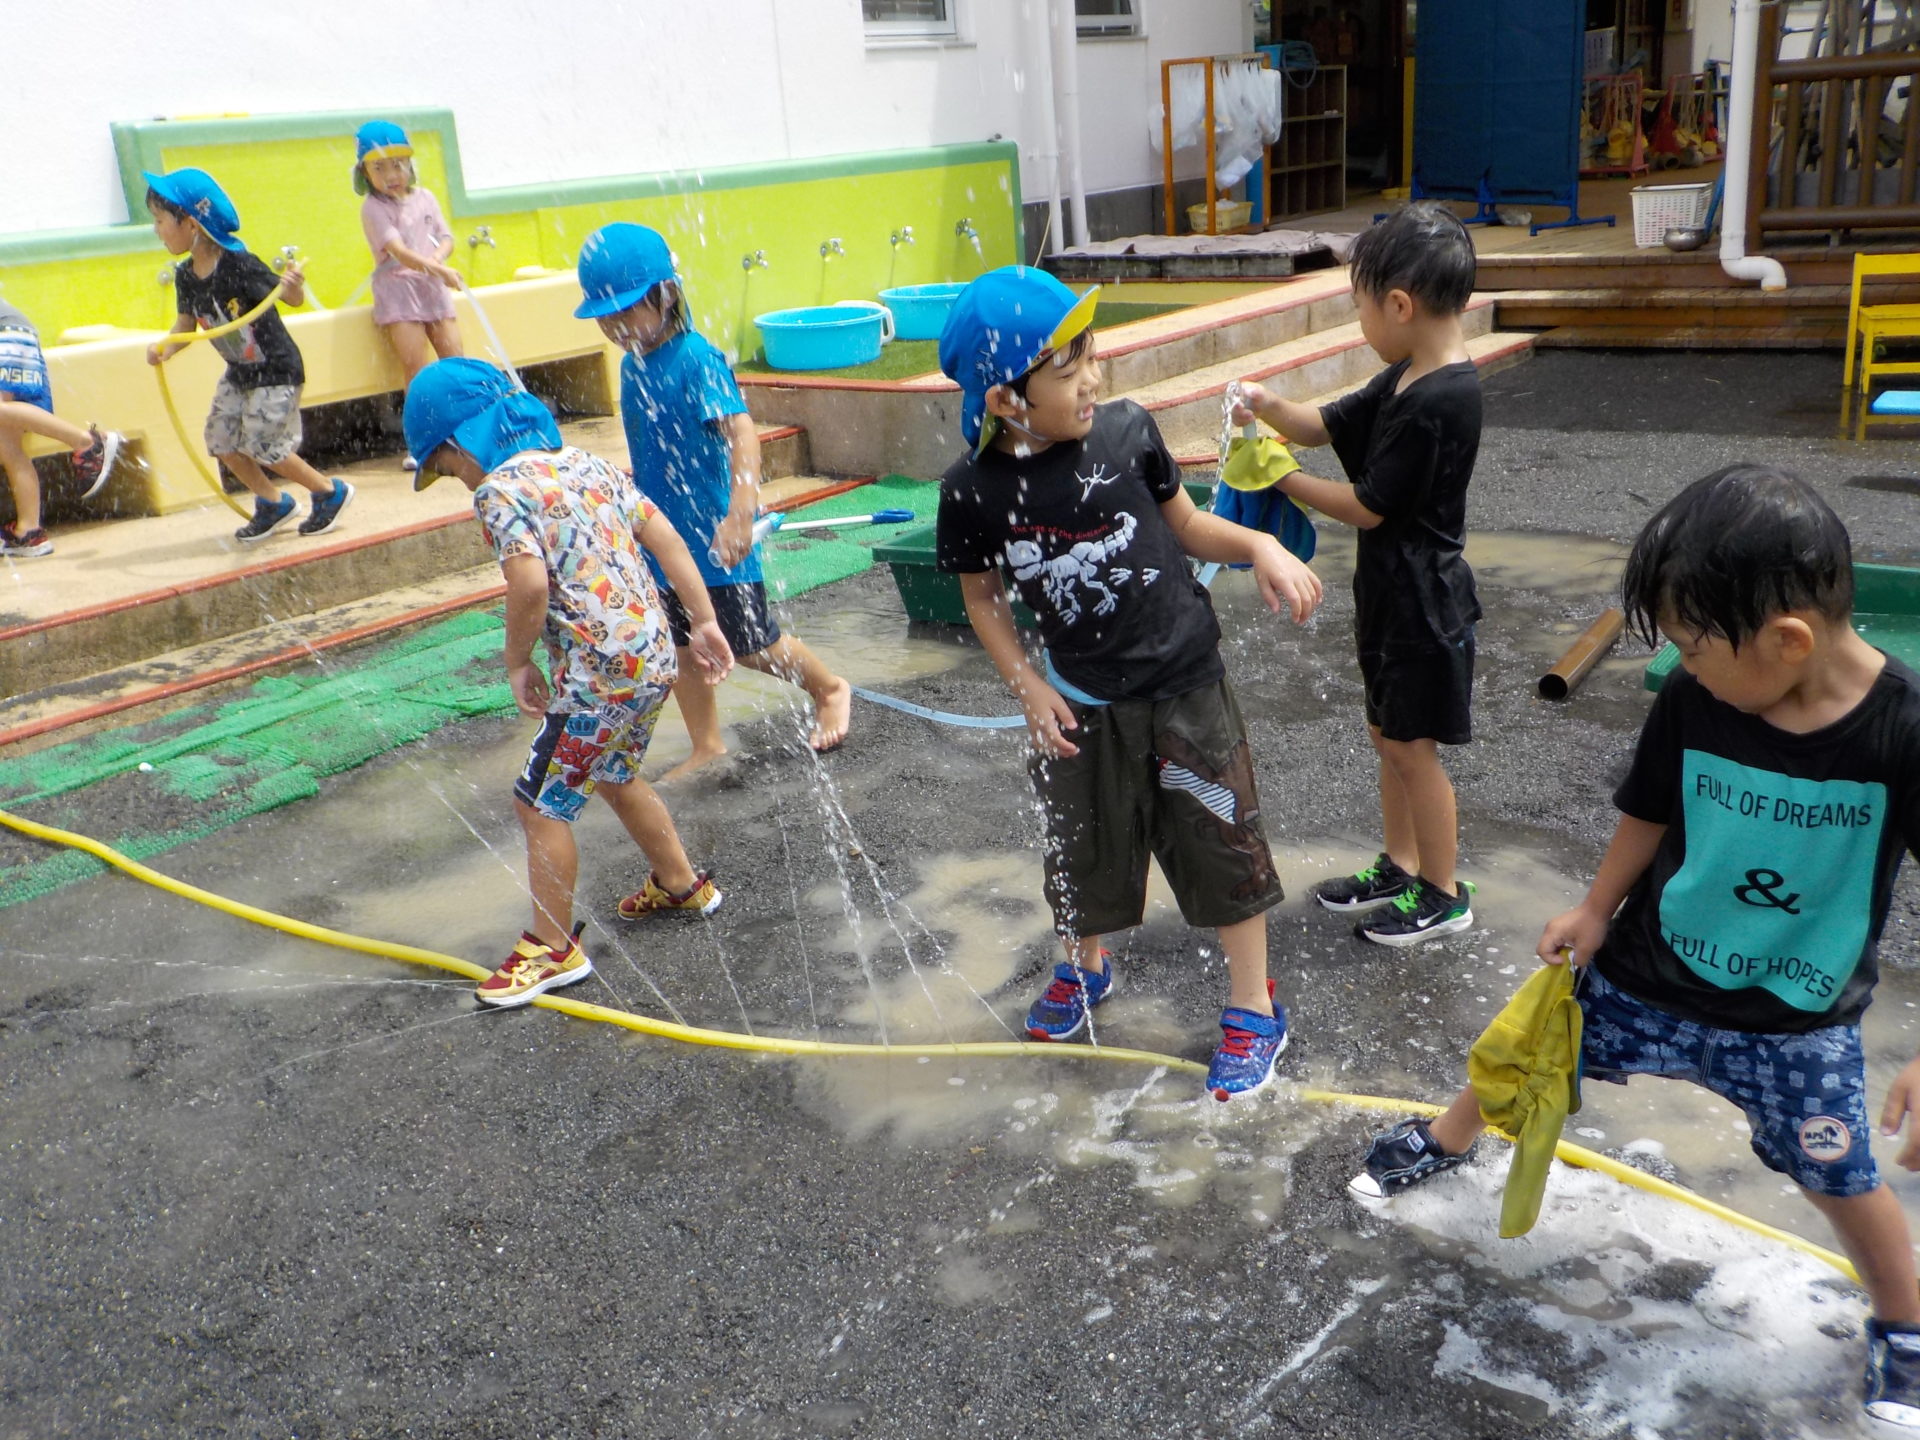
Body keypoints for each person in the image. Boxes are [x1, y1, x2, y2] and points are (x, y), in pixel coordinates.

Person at [1351, 466, 1920, 1429]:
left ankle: (1904, 1327)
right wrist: (1594, 909)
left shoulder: (1903, 729)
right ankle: (1444, 1140)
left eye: (1694, 646)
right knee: (1530, 1047)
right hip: (1651, 969)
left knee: (1841, 1176)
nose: (1684, 665)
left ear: (1788, 640)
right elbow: (1649, 810)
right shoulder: (1699, 699)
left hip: (1797, 1018)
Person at [934, 265, 1324, 1100]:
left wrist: (1259, 546)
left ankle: (1254, 1008)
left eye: (1092, 356)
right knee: (1083, 849)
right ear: (1004, 399)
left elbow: (1188, 526)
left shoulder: (1126, 432)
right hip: (1080, 700)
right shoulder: (971, 489)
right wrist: (1027, 684)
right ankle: (1085, 966)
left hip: (1186, 683)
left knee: (1222, 843)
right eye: (1069, 368)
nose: (1094, 378)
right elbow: (982, 597)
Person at [404, 357, 735, 1007]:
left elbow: (528, 583)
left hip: (598, 676)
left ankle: (551, 948)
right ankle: (680, 883)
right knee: (613, 772)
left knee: (538, 803)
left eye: (446, 466)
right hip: (652, 658)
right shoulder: (588, 464)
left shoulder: (498, 491)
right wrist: (703, 620)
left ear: (461, 441)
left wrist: (517, 660)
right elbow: (667, 538)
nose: (457, 479)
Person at [1230, 201, 1481, 946]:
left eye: (1361, 306)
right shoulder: (1406, 375)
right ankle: (1402, 865)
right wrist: (1267, 404)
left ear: (1400, 305)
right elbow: (1323, 425)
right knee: (1386, 733)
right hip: (1391, 593)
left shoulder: (1442, 400)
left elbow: (1368, 507)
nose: (1360, 321)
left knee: (1412, 749)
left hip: (1425, 602)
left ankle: (1444, 892)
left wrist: (1279, 477)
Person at [574, 222, 851, 775]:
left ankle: (829, 688)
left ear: (666, 296)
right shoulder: (632, 366)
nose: (615, 328)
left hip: (716, 539)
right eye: (605, 319)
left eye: (625, 313)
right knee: (679, 643)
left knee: (750, 644)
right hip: (665, 543)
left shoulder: (696, 358)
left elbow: (742, 433)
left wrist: (740, 513)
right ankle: (706, 744)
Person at [142, 167, 354, 544]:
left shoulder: (240, 264)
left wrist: (294, 285)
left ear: (190, 223)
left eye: (160, 221)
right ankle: (273, 502)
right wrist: (165, 348)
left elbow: (289, 299)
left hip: (275, 369)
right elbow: (186, 325)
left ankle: (328, 491)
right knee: (221, 440)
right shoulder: (186, 275)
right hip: (240, 372)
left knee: (266, 445)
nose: (157, 230)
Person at [354, 119, 464, 470]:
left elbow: (446, 237)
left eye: (398, 164)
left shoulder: (425, 197)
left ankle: (463, 432)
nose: (392, 175)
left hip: (432, 286)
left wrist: (437, 260)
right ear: (364, 172)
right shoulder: (373, 208)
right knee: (416, 369)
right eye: (379, 167)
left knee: (456, 362)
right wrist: (437, 269)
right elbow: (399, 252)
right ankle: (423, 441)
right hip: (399, 291)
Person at [0, 297, 125, 557]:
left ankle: (86, 442)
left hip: (5, 332)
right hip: (15, 332)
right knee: (8, 448)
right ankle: (29, 532)